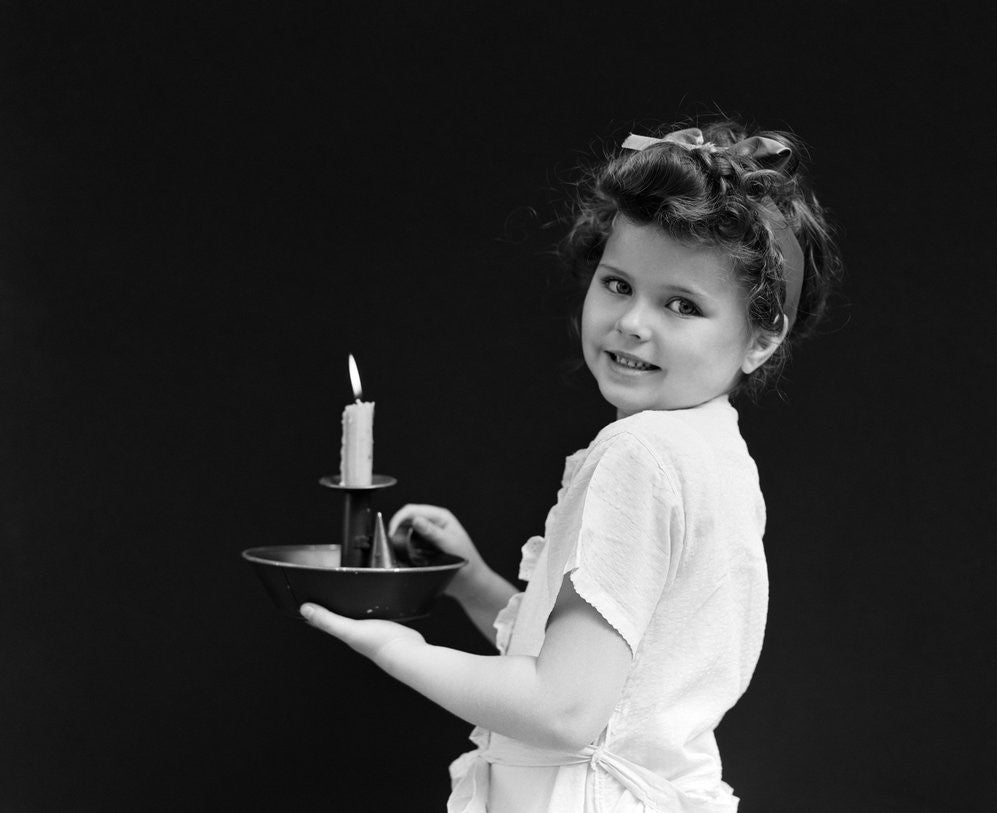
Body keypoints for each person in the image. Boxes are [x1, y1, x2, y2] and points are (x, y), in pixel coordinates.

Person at [300, 117, 842, 812]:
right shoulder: (713, 452)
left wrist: (390, 647)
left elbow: (563, 710)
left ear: (761, 340)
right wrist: (476, 585)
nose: (633, 322)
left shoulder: (639, 455)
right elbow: (605, 673)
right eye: (618, 284)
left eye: (682, 304)